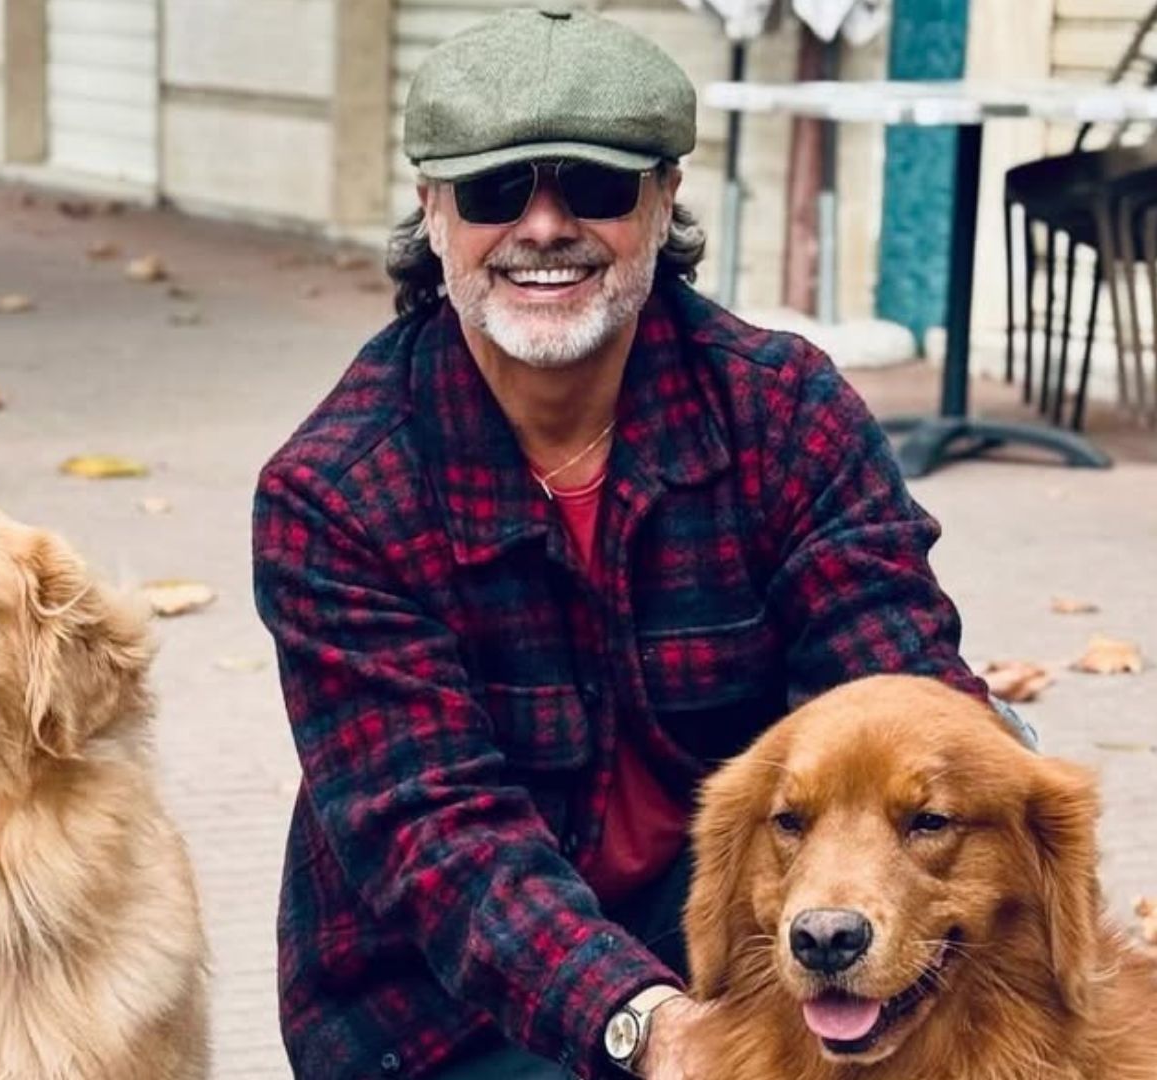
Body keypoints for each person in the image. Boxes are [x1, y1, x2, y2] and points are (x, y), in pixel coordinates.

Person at [250, 5, 994, 1079]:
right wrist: (645, 1023)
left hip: (756, 943)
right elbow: (435, 832)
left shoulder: (783, 412)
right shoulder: (335, 491)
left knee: (976, 858)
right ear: (431, 209)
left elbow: (903, 689)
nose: (546, 227)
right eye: (495, 192)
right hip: (445, 1005)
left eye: (596, 186)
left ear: (664, 196)